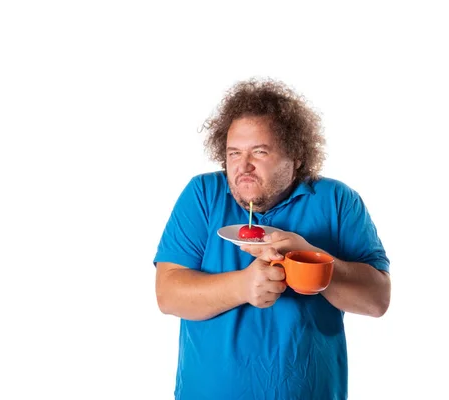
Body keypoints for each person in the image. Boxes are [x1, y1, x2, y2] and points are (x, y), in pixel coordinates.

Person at [153, 78, 391, 400]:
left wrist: (310, 257)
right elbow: (168, 294)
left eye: (259, 152)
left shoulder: (338, 201)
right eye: (234, 153)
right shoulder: (203, 195)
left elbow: (377, 300)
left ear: (294, 155)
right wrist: (242, 286)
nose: (243, 166)